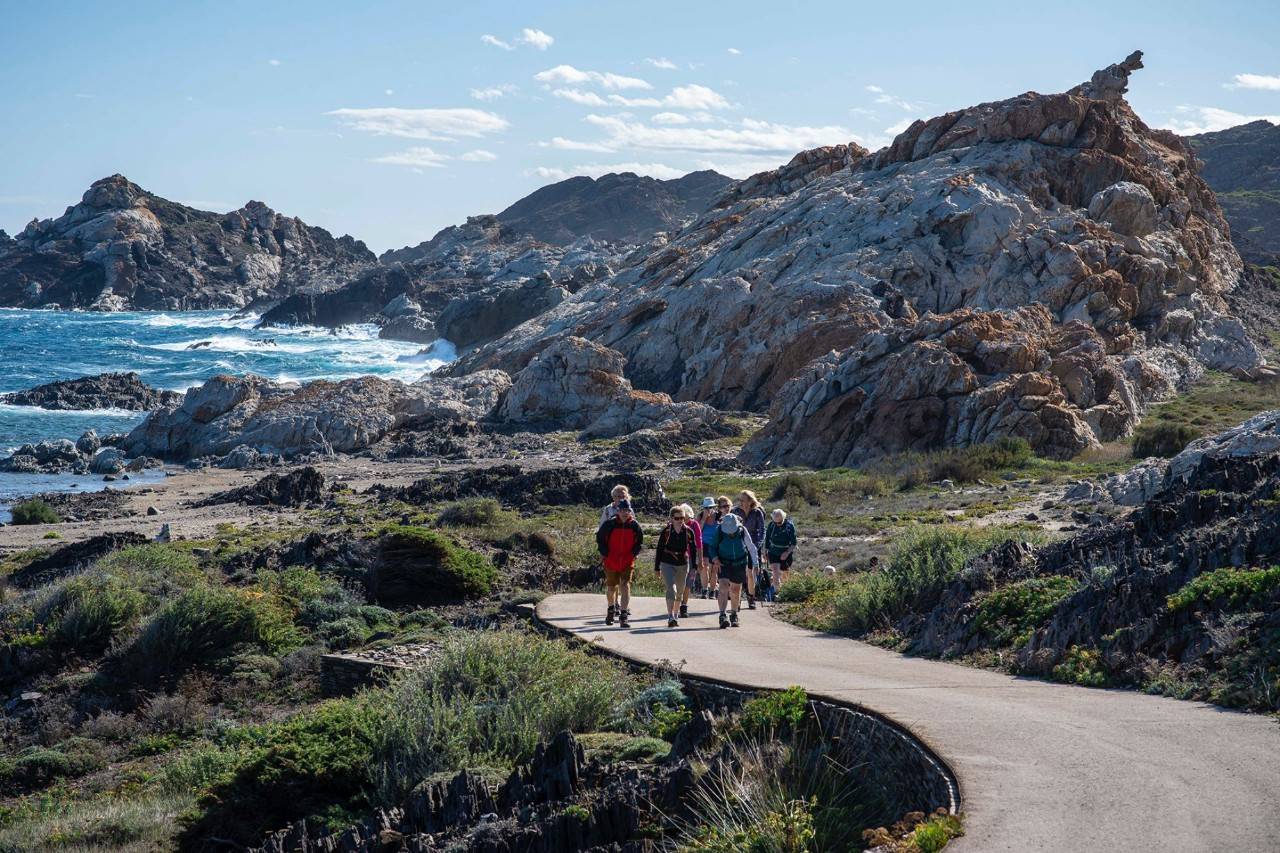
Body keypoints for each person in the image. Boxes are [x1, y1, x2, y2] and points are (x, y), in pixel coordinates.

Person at [597, 499, 642, 628]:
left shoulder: (634, 525)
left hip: (628, 560)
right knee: (611, 588)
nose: (625, 513)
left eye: (627, 510)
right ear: (618, 511)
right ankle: (611, 609)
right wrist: (605, 554)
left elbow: (639, 542)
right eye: (622, 510)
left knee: (625, 585)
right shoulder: (609, 524)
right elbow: (600, 539)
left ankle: (623, 616)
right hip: (611, 560)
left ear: (630, 511)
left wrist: (634, 554)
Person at [710, 511, 759, 629]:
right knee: (723, 588)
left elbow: (751, 547)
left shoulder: (742, 530)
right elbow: (712, 547)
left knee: (735, 590)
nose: (730, 533)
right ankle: (722, 615)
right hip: (723, 562)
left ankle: (734, 614)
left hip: (740, 562)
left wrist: (756, 563)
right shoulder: (719, 530)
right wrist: (715, 558)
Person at [654, 505, 697, 627]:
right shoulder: (666, 531)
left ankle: (676, 615)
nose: (680, 521)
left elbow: (693, 550)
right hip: (667, 562)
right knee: (670, 589)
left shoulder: (689, 532)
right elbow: (660, 549)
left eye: (682, 518)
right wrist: (657, 567)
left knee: (680, 591)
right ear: (672, 518)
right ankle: (670, 616)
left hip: (683, 563)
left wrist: (694, 566)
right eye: (677, 518)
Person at [732, 490, 766, 609]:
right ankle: (738, 598)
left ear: (750, 501)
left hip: (753, 546)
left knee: (750, 573)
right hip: (739, 546)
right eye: (740, 500)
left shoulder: (757, 513)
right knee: (740, 574)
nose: (740, 502)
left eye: (743, 500)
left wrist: (757, 545)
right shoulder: (735, 511)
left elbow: (762, 530)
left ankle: (751, 597)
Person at [764, 508, 798, 596]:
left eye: (779, 522)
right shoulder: (771, 525)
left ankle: (785, 592)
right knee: (775, 572)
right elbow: (767, 539)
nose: (777, 524)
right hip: (773, 552)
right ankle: (777, 593)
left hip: (786, 552)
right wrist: (765, 551)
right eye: (775, 522)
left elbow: (794, 543)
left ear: (783, 518)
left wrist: (787, 552)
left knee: (785, 575)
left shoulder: (789, 526)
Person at [677, 503, 702, 618]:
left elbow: (699, 544)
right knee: (679, 583)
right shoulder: (674, 524)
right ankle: (677, 604)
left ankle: (684, 606)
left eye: (683, 516)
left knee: (688, 583)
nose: (681, 519)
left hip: (691, 558)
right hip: (678, 558)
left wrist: (700, 561)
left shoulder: (694, 525)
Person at [698, 497, 721, 597]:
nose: (708, 510)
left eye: (710, 507)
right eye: (706, 507)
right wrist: (703, 519)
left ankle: (712, 590)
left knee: (714, 568)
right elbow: (698, 530)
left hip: (715, 545)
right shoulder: (700, 516)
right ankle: (704, 589)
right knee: (704, 567)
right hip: (704, 544)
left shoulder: (718, 516)